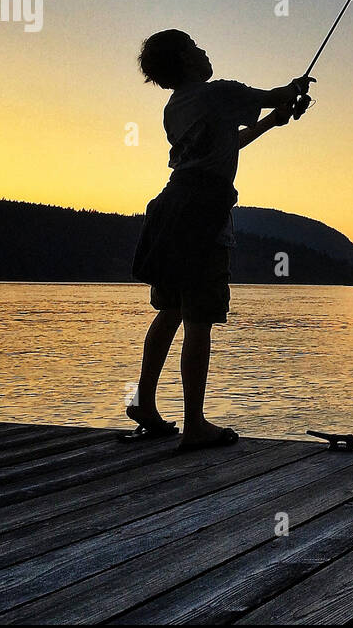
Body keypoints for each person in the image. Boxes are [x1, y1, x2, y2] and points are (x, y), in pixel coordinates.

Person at [128, 28, 312, 451]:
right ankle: (195, 426)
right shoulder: (219, 93)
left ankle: (145, 402)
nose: (205, 49)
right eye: (195, 47)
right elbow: (277, 92)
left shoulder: (175, 108)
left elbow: (228, 144)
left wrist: (269, 123)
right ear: (186, 61)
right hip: (202, 215)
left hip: (171, 210)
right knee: (199, 319)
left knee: (170, 309)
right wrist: (294, 90)